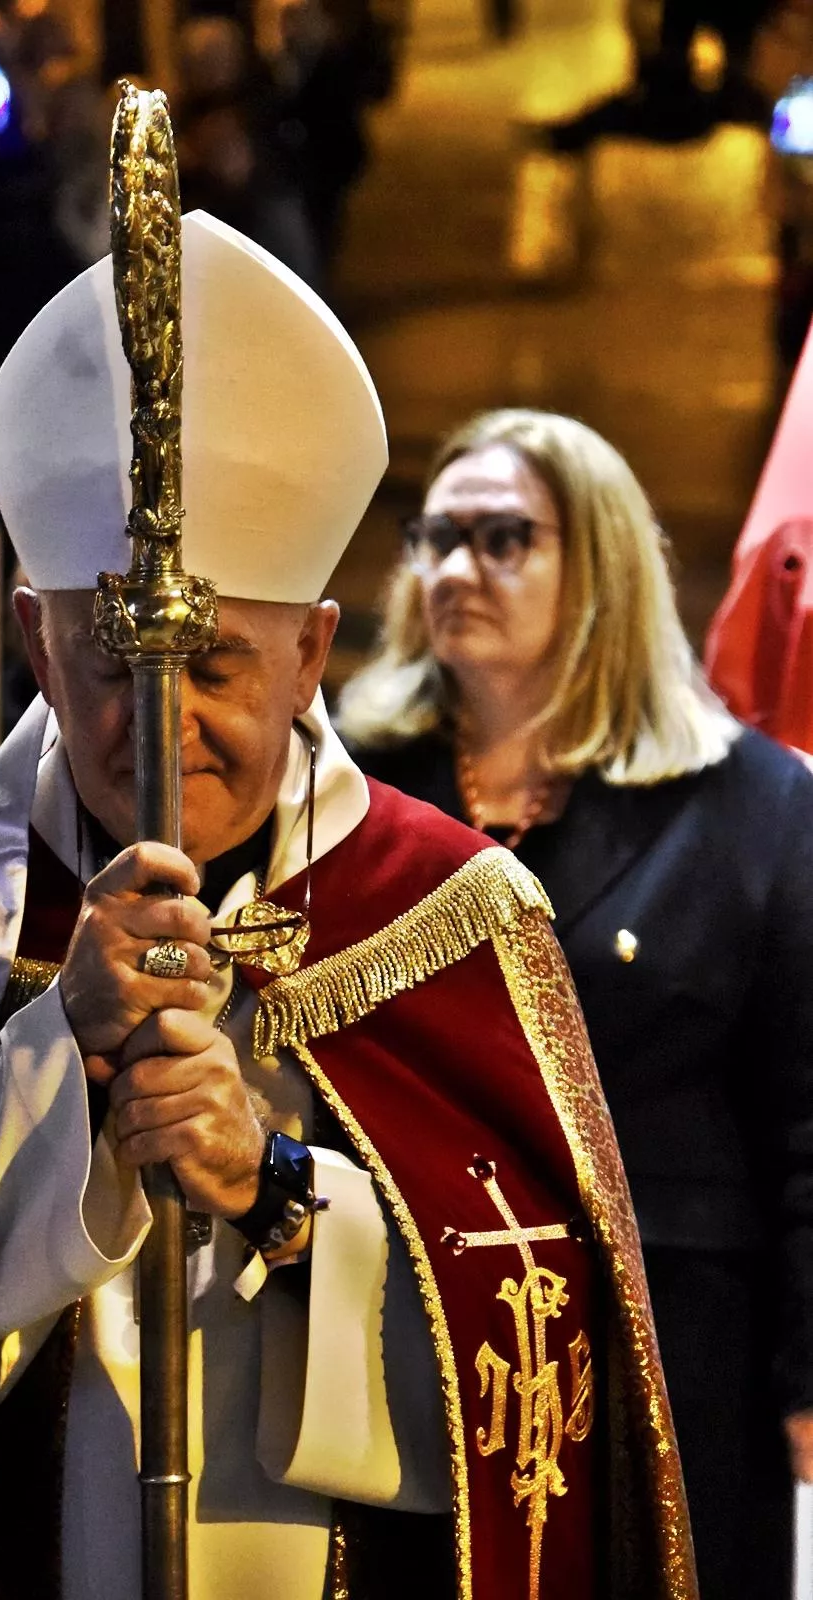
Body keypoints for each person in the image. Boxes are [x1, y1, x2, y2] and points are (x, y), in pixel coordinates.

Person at [0, 224, 694, 1599]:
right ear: (30, 640)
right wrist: (52, 1064)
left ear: (314, 650)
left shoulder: (454, 920)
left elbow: (549, 1390)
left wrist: (282, 1193)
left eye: (216, 665)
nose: (159, 720)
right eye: (108, 662)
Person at [338, 406, 813, 1600]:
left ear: (596, 564)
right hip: (398, 1333)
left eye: (503, 539)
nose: (454, 569)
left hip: (669, 1347)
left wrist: (808, 1372)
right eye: (434, 536)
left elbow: (806, 1112)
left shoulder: (750, 807)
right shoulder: (345, 784)